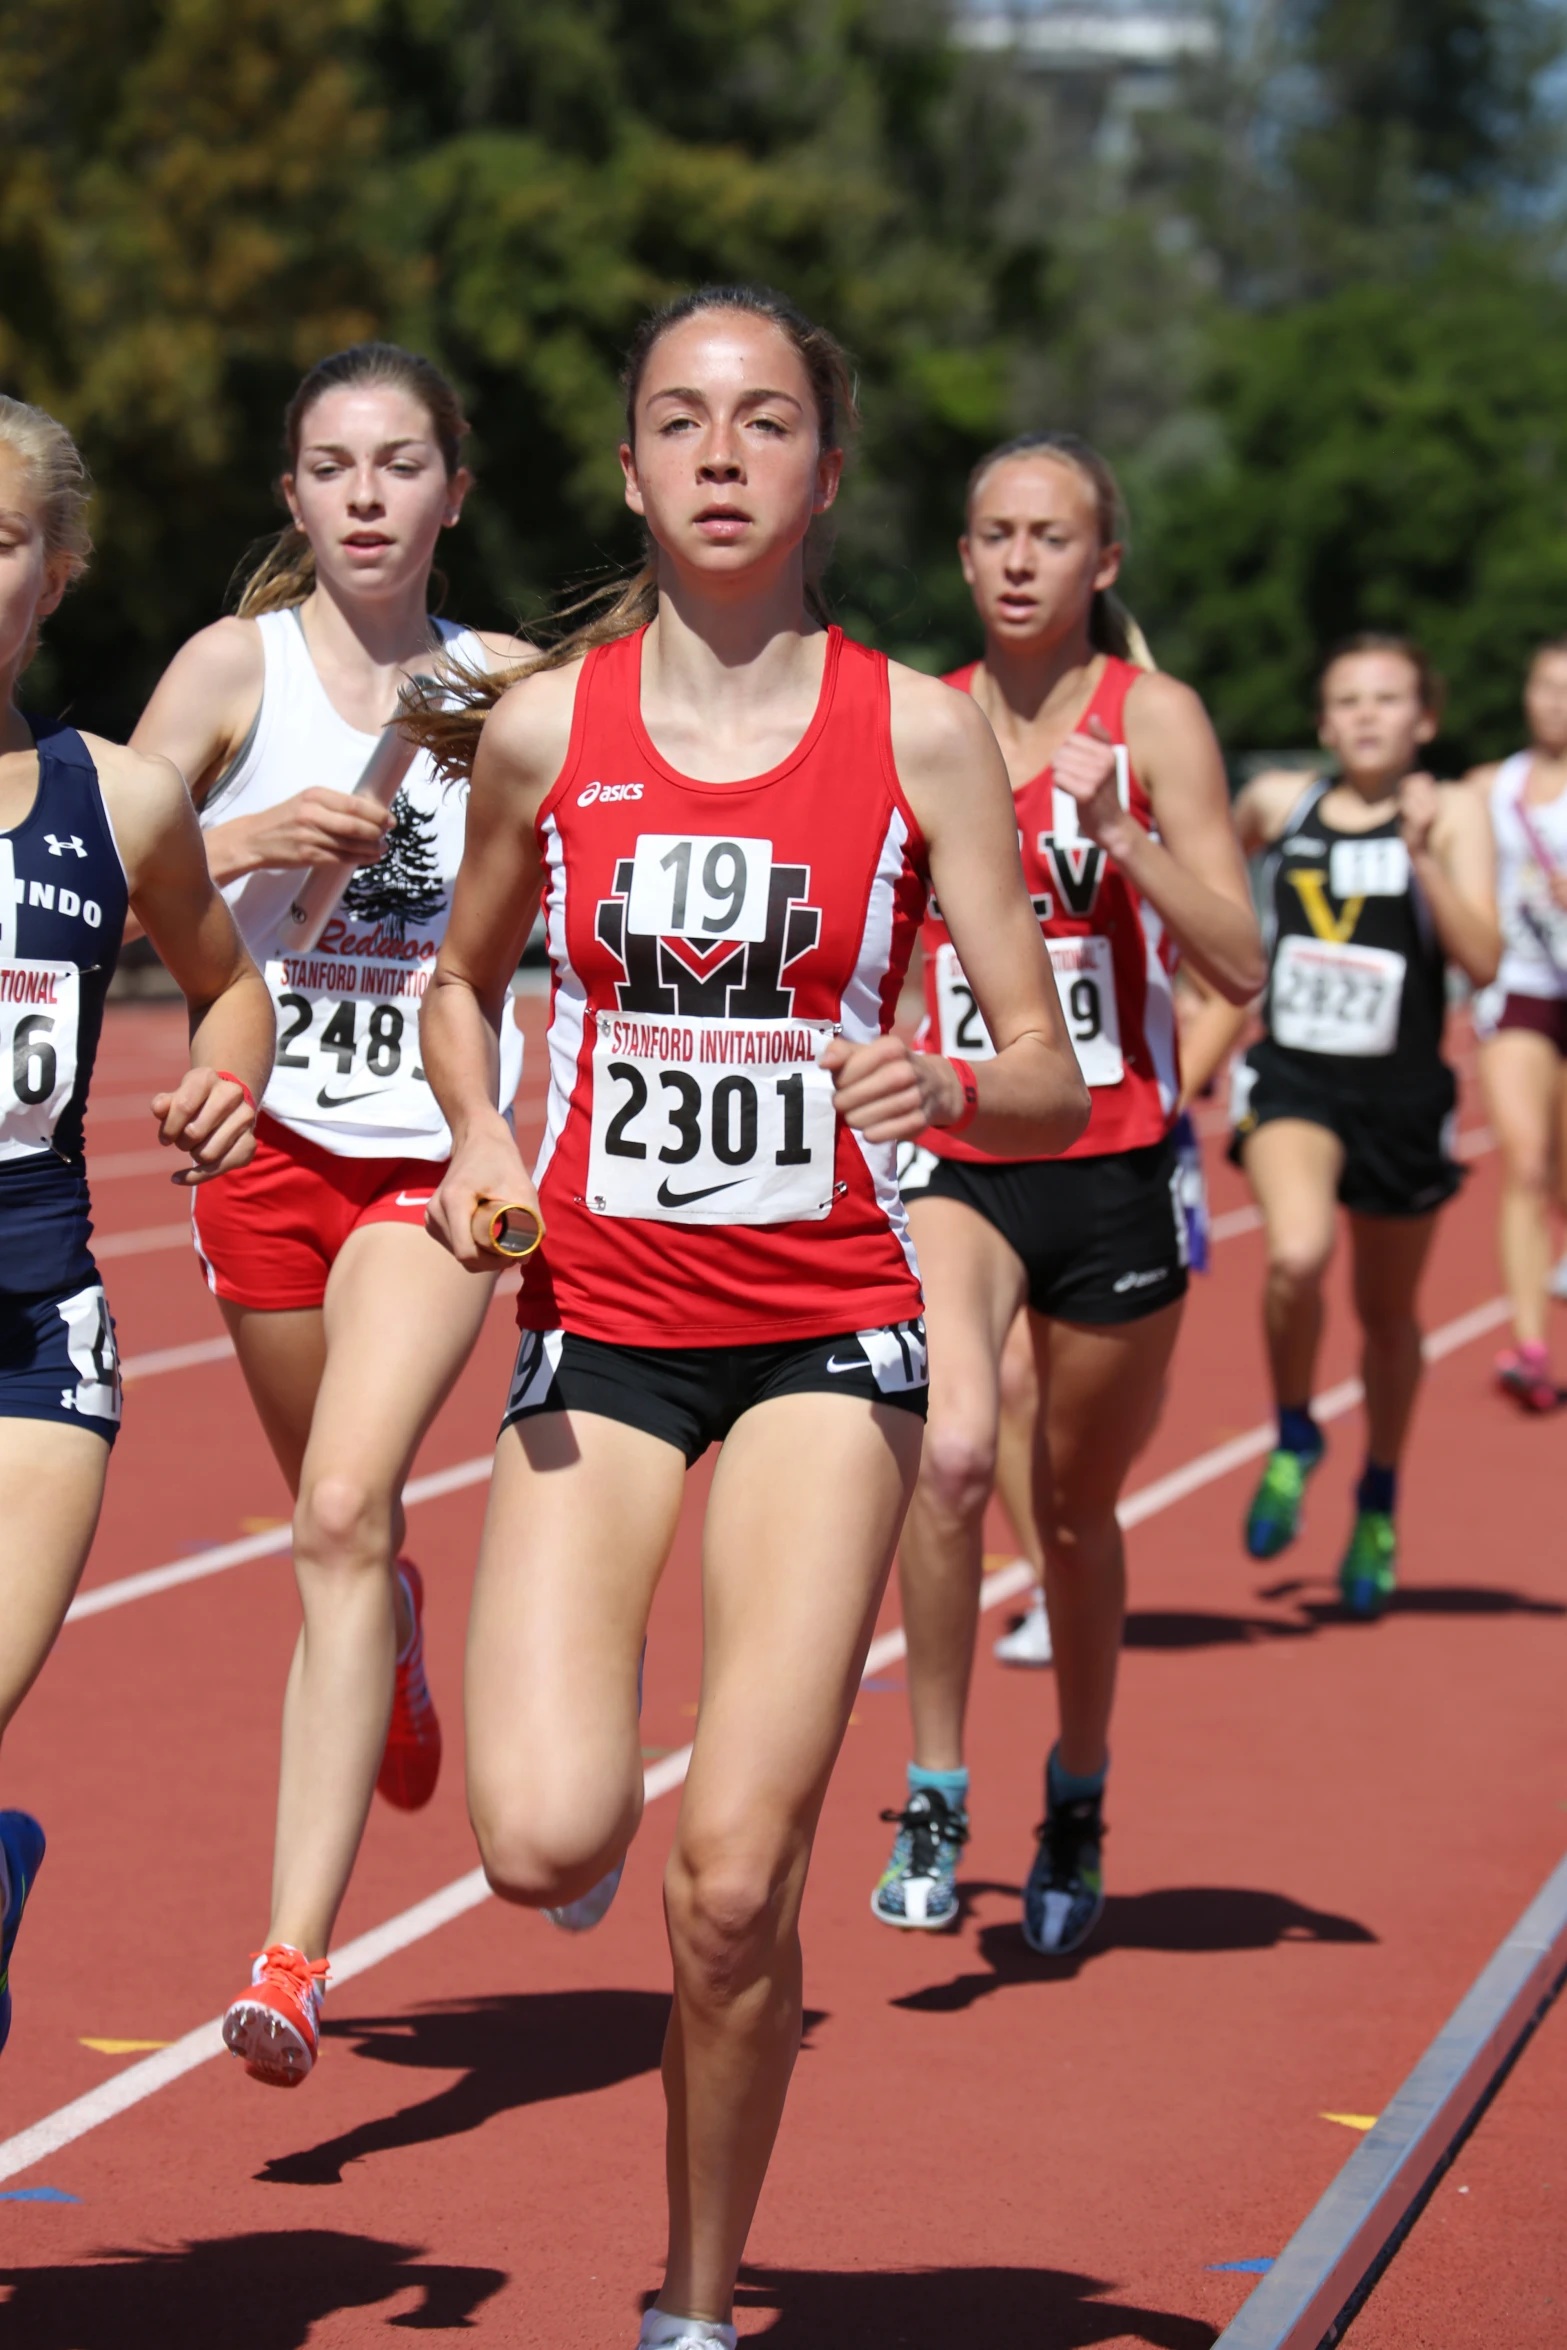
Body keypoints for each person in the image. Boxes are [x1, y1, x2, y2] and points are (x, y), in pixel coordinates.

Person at [409, 285, 1088, 2350]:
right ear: (629, 468)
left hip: (828, 1330)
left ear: (828, 468)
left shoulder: (917, 726)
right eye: (681, 420)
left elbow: (1048, 1069)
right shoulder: (546, 725)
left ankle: (697, 2305)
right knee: (539, 1839)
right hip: (601, 1314)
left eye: (766, 418)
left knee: (727, 1884)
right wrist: (470, 1131)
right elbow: (461, 979)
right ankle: (610, 1845)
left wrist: (942, 1081)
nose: (721, 452)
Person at [130, 344, 525, 2088]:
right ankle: (398, 1627)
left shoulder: (515, 686)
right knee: (332, 1517)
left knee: (346, 1507)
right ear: (290, 498)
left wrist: (515, 1127)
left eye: (401, 464)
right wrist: (241, 837)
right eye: (332, 467)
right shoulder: (234, 667)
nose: (367, 496)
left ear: (456, 490)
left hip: (429, 1166)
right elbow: (90, 861)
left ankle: (290, 1960)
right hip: (266, 1159)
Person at [875, 432, 1263, 1954]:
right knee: (952, 1453)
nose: (1019, 558)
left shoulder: (1151, 717)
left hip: (1109, 1168)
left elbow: (1237, 958)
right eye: (992, 533)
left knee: (1073, 1508)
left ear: (1101, 563)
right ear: (963, 559)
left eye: (1050, 535)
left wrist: (1115, 836)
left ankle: (1078, 1788)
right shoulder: (919, 720)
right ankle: (930, 1783)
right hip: (963, 1155)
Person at [0, 397, 271, 2050]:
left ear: (60, 571)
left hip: (28, 1343)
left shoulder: (119, 804)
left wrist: (228, 1081)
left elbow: (225, 989)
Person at [1232, 636, 1498, 1615]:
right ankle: (1295, 1429)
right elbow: (1211, 904)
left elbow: (1484, 953)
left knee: (1387, 1318)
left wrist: (1422, 852)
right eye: (1346, 700)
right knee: (1295, 1255)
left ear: (1424, 719)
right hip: (1294, 1078)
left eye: (1388, 700)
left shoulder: (1451, 812)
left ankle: (1378, 1493)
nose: (1367, 716)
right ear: (1321, 721)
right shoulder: (1278, 806)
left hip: (1402, 1097)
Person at [1466, 639, 1567, 1412]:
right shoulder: (1486, 791)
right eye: (1544, 686)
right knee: (1525, 1161)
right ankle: (1529, 1345)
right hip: (1520, 991)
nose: (1554, 702)